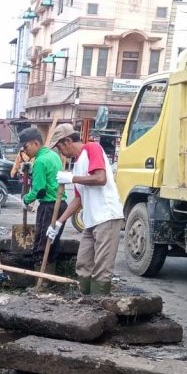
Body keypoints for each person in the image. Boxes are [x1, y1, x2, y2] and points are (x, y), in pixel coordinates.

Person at [47, 124, 125, 295]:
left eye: (59, 147)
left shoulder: (92, 148)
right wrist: (59, 223)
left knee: (101, 267)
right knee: (83, 264)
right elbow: (78, 199)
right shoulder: (77, 164)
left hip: (107, 217)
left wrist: (72, 178)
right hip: (91, 221)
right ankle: (85, 302)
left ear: (67, 141)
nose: (60, 152)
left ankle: (98, 306)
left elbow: (100, 178)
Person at [18, 127, 66, 269]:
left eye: (26, 147)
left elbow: (39, 190)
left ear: (35, 143)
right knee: (52, 243)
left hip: (49, 206)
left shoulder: (40, 161)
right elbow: (49, 178)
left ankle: (41, 280)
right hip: (60, 204)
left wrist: (26, 199)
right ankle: (49, 278)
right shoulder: (53, 155)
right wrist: (32, 173)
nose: (25, 151)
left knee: (42, 244)